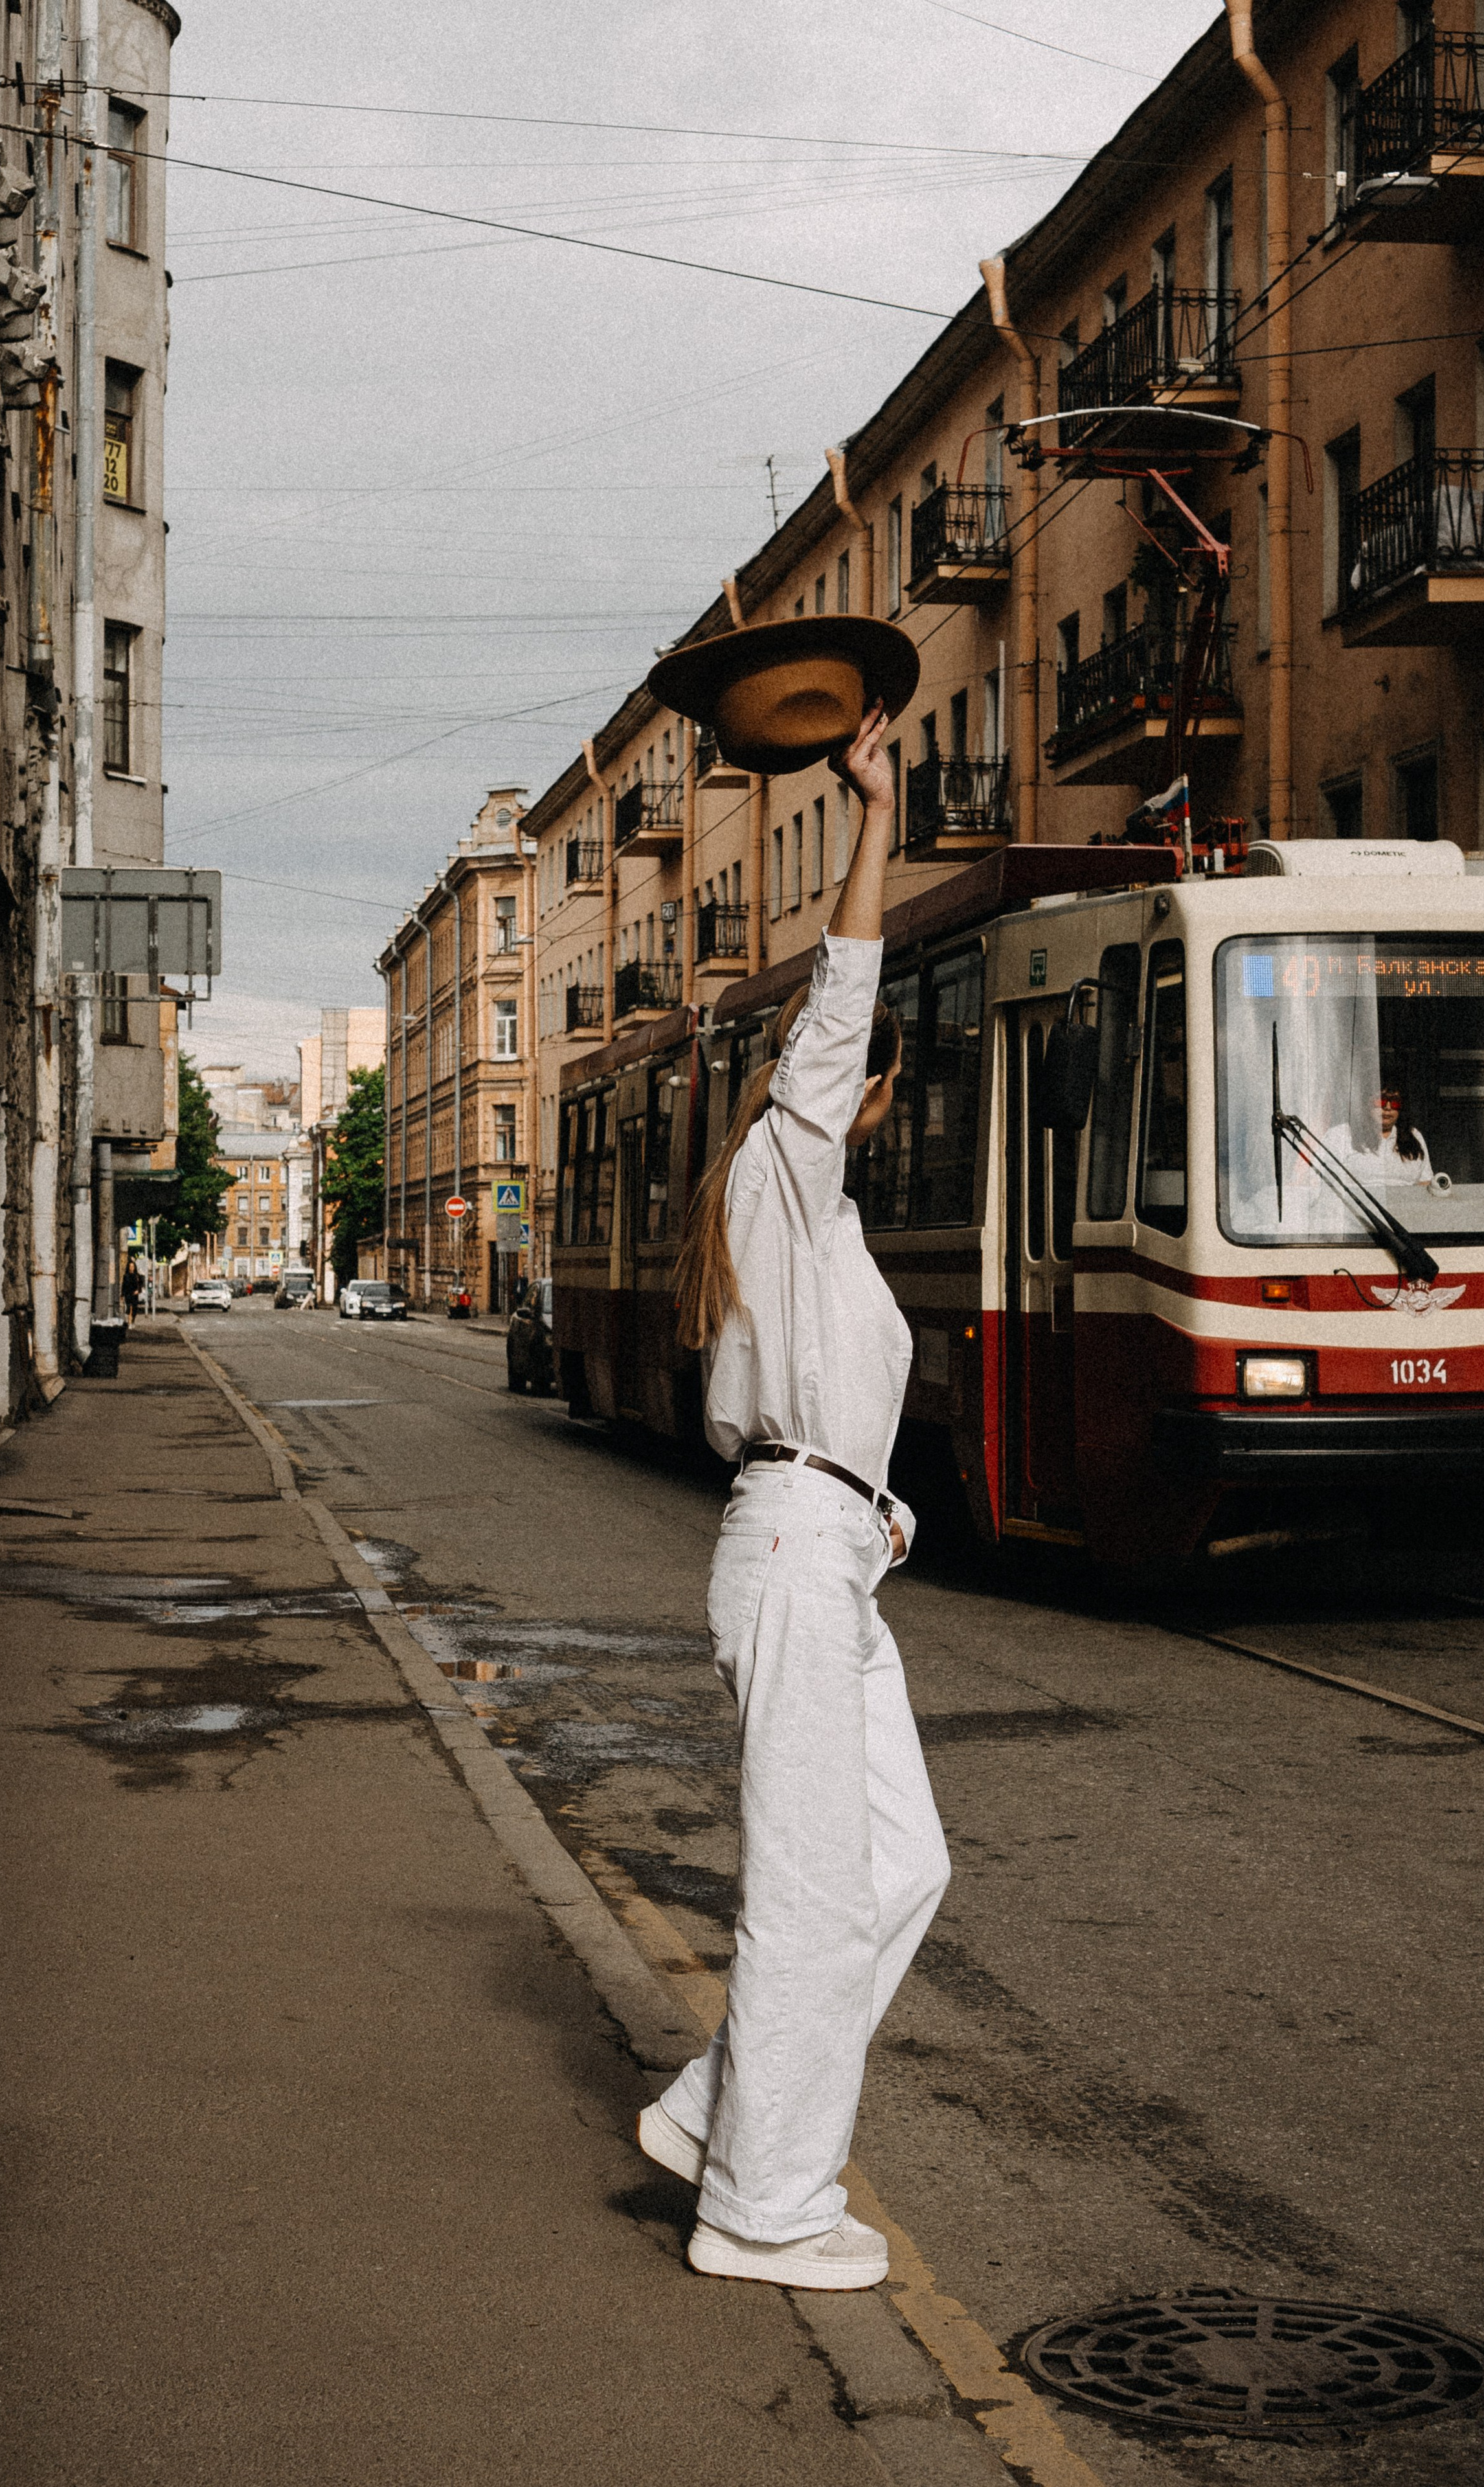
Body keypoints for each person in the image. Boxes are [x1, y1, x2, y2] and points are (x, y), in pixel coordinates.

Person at [637, 702, 950, 2293]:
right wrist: (872, 816)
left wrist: (876, 1505)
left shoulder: (802, 1220)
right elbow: (840, 1000)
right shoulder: (779, 1151)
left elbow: (799, 1422)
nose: (859, 1088)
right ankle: (762, 2208)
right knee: (815, 1888)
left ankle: (717, 2112)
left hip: (826, 1553)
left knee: (899, 1868)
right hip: (793, 1560)